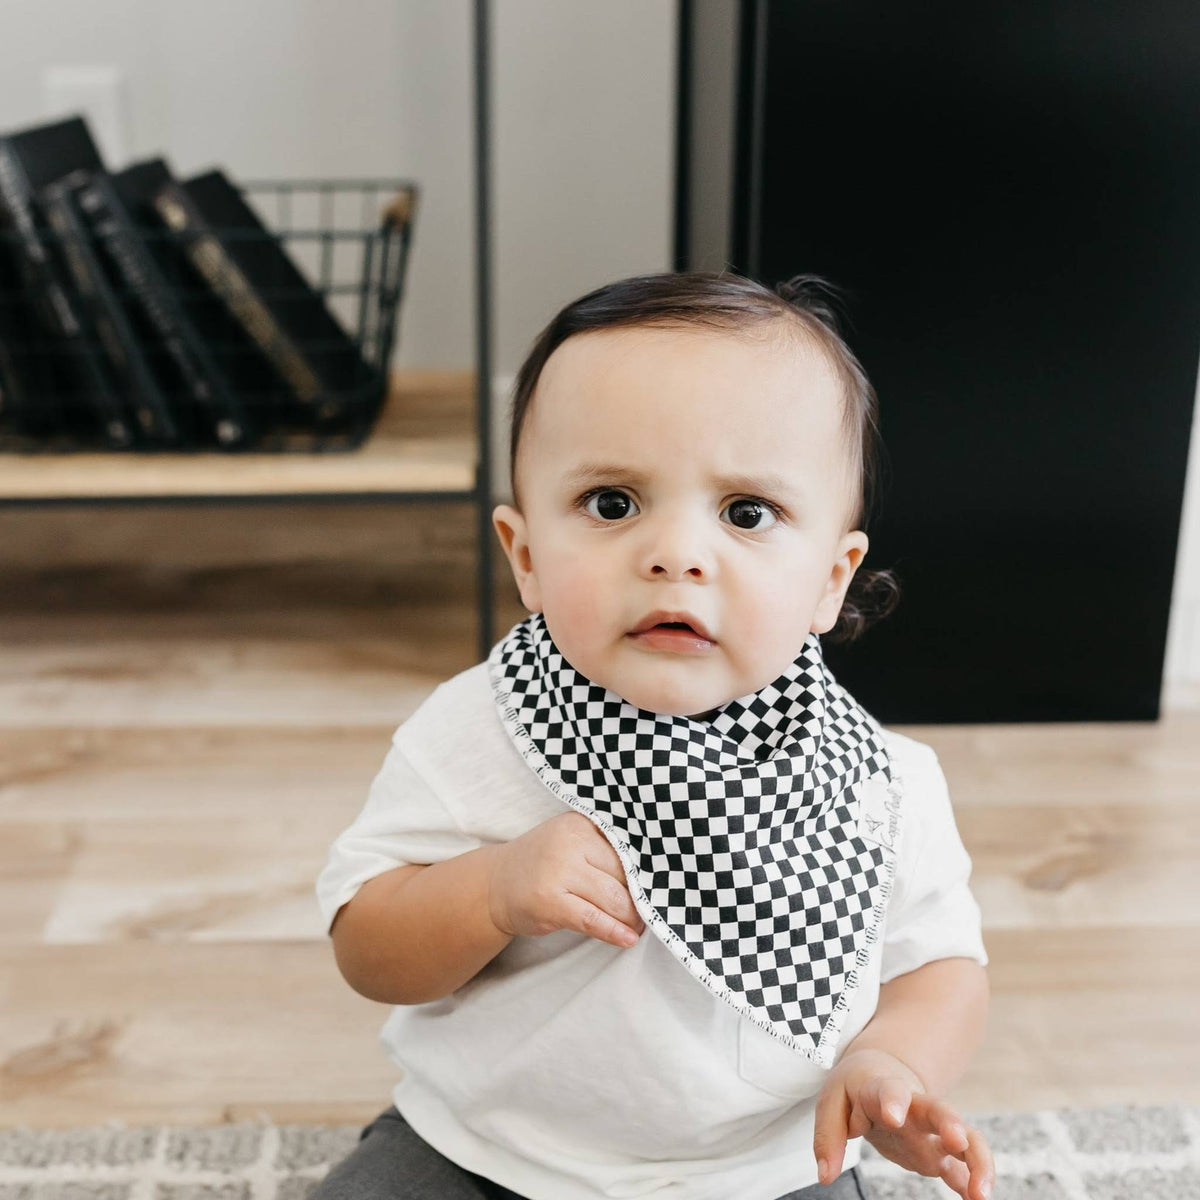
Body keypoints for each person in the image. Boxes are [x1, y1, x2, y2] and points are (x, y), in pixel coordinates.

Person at [313, 271, 996, 1200]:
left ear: (830, 581)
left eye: (747, 513)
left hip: (763, 1169)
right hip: (482, 1146)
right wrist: (494, 891)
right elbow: (369, 949)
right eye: (611, 503)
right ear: (525, 556)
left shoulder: (874, 786)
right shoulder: (478, 729)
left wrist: (894, 1068)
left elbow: (940, 970)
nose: (676, 553)